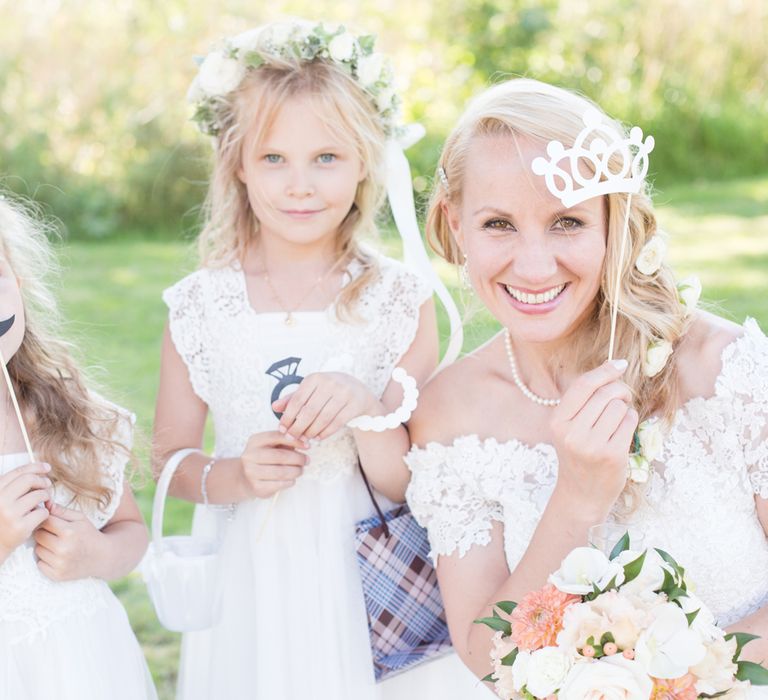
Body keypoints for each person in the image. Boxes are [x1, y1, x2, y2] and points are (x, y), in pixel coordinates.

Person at [153, 19, 486, 699]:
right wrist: (236, 475)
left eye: (326, 158)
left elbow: (407, 485)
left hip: (364, 566)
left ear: (366, 160)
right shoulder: (199, 307)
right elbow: (170, 464)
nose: (299, 185)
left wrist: (367, 410)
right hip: (250, 565)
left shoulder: (398, 300)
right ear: (237, 167)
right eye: (273, 159)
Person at [405, 78, 768, 693]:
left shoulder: (725, 370)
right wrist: (575, 498)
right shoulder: (449, 412)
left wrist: (676, 683)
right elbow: (485, 655)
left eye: (567, 222)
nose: (535, 264)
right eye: (498, 223)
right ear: (455, 225)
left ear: (614, 223)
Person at [0, 194, 156, 699]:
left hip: (84, 664)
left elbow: (130, 530)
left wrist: (99, 553)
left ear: (17, 286)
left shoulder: (65, 414)